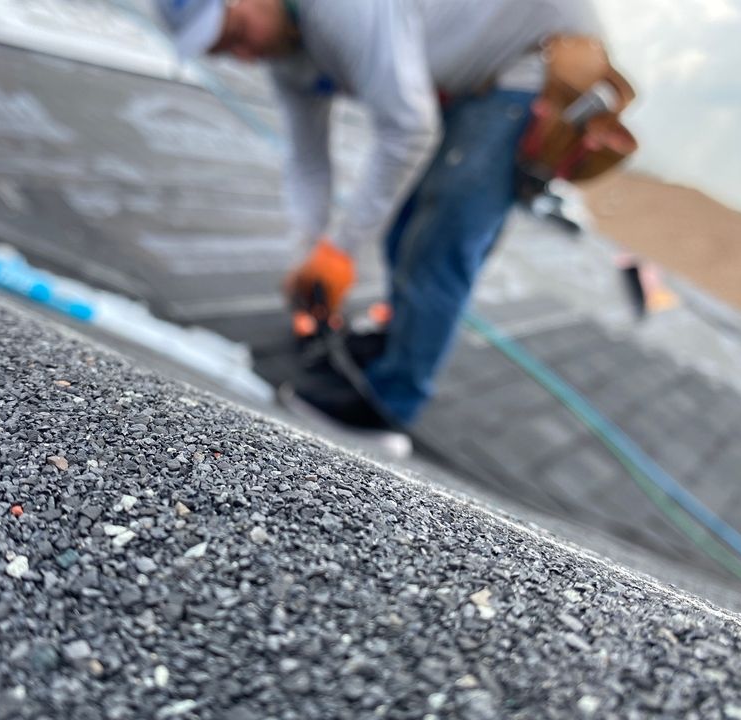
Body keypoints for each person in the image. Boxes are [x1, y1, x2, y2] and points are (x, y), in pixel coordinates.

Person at [156, 0, 604, 434]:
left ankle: (392, 401)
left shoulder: (344, 12)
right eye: (225, 51)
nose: (245, 55)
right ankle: (395, 345)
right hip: (466, 78)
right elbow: (308, 160)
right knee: (400, 235)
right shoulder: (285, 53)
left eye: (236, 35)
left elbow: (408, 129)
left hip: (530, 62)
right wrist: (310, 250)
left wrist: (340, 252)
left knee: (439, 243)